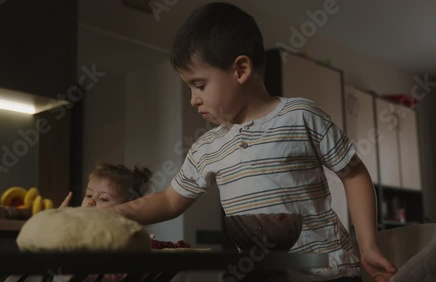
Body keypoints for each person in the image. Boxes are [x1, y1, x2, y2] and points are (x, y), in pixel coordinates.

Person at [107, 2, 398, 282]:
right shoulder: (207, 147)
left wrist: (368, 245)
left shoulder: (300, 116)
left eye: (199, 85)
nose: (194, 100)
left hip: (328, 272)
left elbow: (354, 173)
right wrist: (113, 213)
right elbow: (169, 200)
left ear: (241, 70)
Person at [6, 163, 152, 282]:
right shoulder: (77, 232)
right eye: (88, 195)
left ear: (128, 207)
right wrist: (58, 221)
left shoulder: (129, 240)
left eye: (104, 199)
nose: (91, 202)